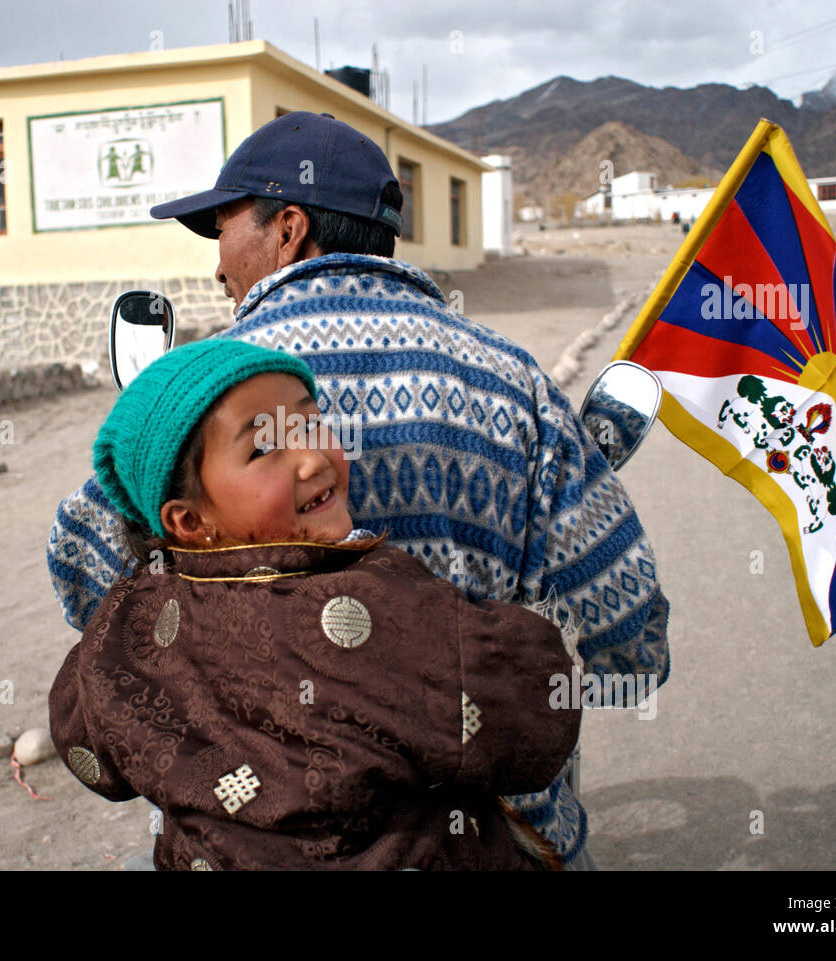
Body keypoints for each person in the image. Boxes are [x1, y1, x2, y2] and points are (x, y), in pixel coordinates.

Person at [48, 111, 670, 868]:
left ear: (288, 229)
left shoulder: (206, 397)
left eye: (223, 229)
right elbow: (628, 638)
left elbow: (86, 580)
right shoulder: (513, 384)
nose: (218, 265)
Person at [49, 338, 582, 870]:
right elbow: (536, 714)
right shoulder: (380, 605)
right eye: (263, 449)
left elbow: (88, 748)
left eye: (308, 423)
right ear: (189, 521)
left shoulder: (122, 623)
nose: (311, 458)